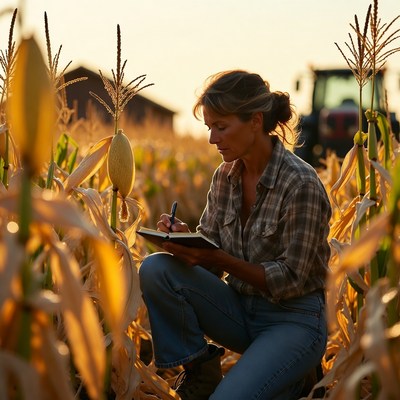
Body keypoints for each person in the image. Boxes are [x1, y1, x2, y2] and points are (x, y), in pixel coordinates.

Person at [139, 70, 332, 400]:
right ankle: (200, 368)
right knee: (156, 269)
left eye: (221, 127)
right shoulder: (224, 176)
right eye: (209, 127)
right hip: (240, 311)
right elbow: (210, 255)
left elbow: (291, 280)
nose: (213, 138)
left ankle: (296, 374)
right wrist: (186, 243)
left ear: (255, 121)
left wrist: (216, 257)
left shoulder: (301, 184)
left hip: (293, 321)